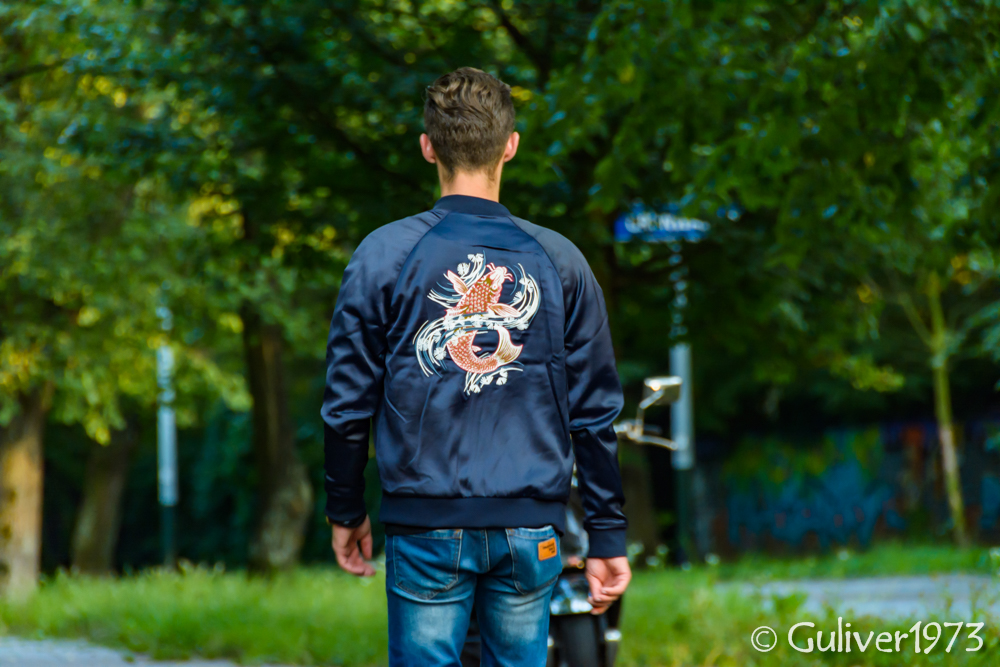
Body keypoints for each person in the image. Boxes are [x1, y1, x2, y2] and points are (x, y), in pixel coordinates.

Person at [322, 66, 631, 667]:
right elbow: (594, 411)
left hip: (424, 525)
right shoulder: (561, 261)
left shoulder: (384, 255)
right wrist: (606, 534)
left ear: (427, 147)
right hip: (531, 530)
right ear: (510, 146)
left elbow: (346, 404)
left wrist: (346, 509)